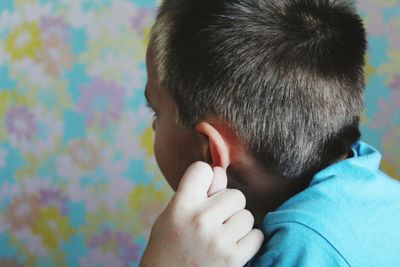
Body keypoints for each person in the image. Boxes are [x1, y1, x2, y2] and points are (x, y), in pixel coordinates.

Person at [139, 0, 400, 266]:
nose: (153, 126)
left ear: (212, 151)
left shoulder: (297, 253)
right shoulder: (374, 189)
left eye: (156, 112)